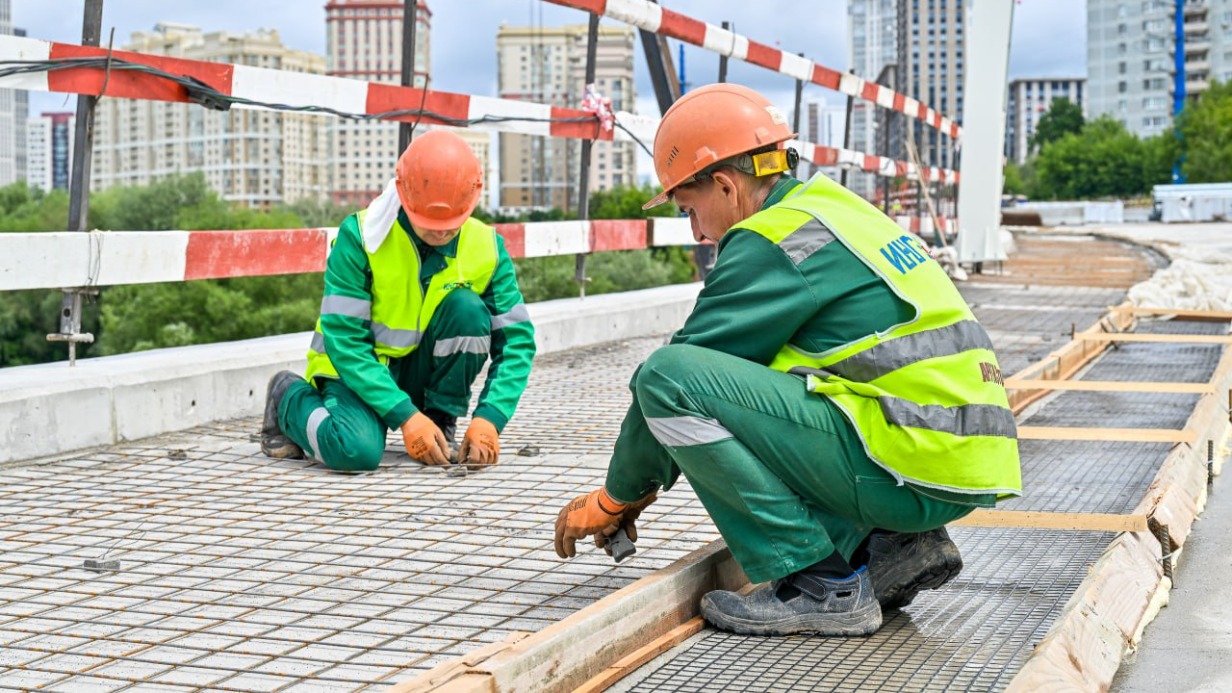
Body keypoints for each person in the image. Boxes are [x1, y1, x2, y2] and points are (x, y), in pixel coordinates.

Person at [553, 83, 1021, 637]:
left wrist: (616, 497)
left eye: (690, 209)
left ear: (725, 185)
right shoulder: (834, 208)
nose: (698, 232)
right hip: (961, 457)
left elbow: (682, 372)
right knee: (772, 380)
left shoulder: (771, 240)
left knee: (666, 377)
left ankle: (820, 584)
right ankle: (889, 543)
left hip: (913, 459)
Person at [260, 129, 535, 472]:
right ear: (404, 195)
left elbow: (517, 343)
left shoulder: (486, 247)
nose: (439, 233)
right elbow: (344, 340)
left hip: (417, 372)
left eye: (450, 225)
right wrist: (404, 417)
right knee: (353, 451)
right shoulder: (360, 237)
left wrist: (490, 418)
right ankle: (287, 396)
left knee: (467, 310)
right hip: (356, 370)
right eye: (429, 223)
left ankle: (439, 421)